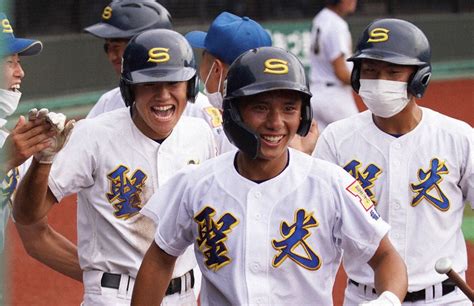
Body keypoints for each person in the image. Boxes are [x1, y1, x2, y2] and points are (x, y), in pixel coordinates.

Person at [131, 46, 408, 305]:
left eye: (289, 108)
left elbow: (385, 256)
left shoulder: (331, 184)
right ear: (234, 112)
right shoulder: (197, 184)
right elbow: (159, 258)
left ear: (304, 114)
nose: (276, 123)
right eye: (260, 107)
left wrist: (388, 301)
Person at [13, 29, 217, 305]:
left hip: (185, 295)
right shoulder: (93, 135)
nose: (163, 96)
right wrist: (43, 161)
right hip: (115, 295)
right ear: (129, 89)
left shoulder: (201, 134)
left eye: (173, 83)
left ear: (190, 87)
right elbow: (27, 216)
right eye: (149, 85)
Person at [313, 18, 473, 305]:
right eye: (370, 70)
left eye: (392, 71)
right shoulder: (336, 139)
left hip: (446, 299)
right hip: (365, 298)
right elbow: (318, 227)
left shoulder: (457, 137)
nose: (378, 80)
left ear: (419, 78)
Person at [84, 0, 224, 153]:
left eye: (117, 47)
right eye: (108, 48)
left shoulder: (199, 111)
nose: (112, 56)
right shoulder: (108, 102)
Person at [186, 11, 318, 154]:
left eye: (204, 58)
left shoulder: (191, 114)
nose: (275, 123)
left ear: (216, 69)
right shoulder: (286, 130)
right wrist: (301, 153)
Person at [308, 0, 358, 132]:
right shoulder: (337, 24)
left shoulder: (321, 17)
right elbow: (341, 72)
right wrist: (362, 82)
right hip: (334, 97)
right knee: (358, 134)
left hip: (317, 92)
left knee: (322, 147)